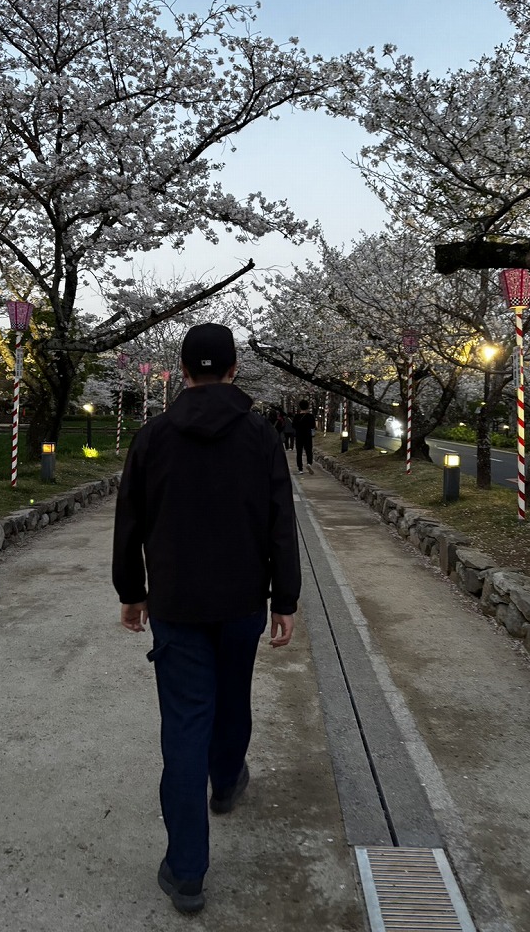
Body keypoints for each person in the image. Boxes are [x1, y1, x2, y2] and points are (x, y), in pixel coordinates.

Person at [112, 322, 301, 914]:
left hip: (176, 604)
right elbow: (280, 521)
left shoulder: (152, 436)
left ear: (184, 371)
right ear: (235, 369)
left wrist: (132, 591)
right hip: (243, 600)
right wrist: (285, 599)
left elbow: (130, 520)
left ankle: (187, 871)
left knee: (185, 724)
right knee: (233, 694)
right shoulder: (261, 437)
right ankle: (228, 783)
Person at [292, 399, 316, 475]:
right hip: (307, 435)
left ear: (300, 407)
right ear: (308, 407)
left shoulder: (296, 416)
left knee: (299, 452)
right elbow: (313, 426)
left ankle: (300, 469)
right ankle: (309, 463)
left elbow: (293, 426)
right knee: (309, 450)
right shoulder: (310, 416)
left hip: (299, 436)